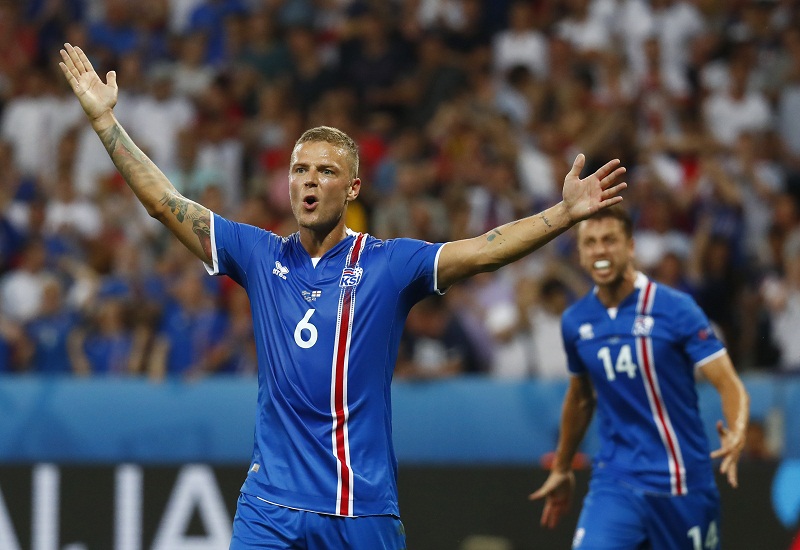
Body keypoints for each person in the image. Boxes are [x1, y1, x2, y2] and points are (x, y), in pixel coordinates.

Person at [58, 42, 627, 549]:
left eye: (325, 172)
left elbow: (483, 251)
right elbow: (165, 203)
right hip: (269, 508)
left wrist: (563, 213)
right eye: (299, 169)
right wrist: (106, 122)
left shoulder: (388, 264)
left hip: (358, 509)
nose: (309, 180)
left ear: (353, 187)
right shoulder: (258, 254)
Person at [529, 207, 750, 550]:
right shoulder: (576, 321)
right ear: (580, 253)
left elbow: (727, 381)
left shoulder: (676, 308)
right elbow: (581, 397)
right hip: (616, 481)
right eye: (590, 243)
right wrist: (562, 466)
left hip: (682, 484)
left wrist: (737, 429)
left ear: (630, 246)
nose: (600, 250)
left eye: (609, 240)